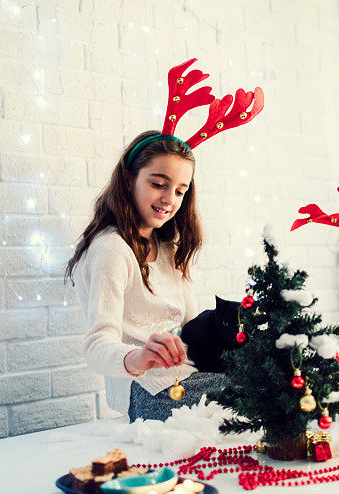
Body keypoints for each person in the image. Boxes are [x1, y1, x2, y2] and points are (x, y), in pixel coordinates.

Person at [66, 59, 264, 421]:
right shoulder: (111, 249)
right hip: (147, 391)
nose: (169, 199)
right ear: (129, 180)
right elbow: (96, 345)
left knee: (272, 380)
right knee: (261, 398)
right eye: (158, 183)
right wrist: (138, 357)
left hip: (189, 376)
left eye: (180, 190)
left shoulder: (167, 248)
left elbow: (190, 327)